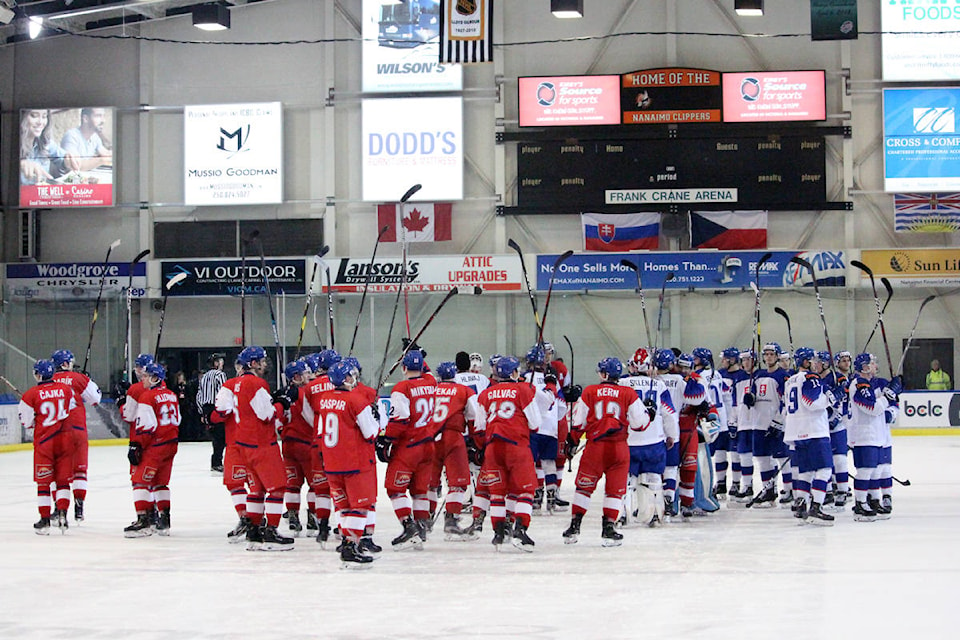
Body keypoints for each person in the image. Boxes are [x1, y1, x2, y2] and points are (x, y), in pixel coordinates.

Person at [210, 346, 294, 551]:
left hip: (243, 445)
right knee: (277, 488)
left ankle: (254, 533)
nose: (265, 364)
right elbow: (267, 415)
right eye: (262, 361)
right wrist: (283, 402)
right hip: (262, 444)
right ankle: (271, 531)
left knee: (256, 489)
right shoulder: (257, 383)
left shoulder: (232, 383)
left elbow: (222, 410)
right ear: (253, 363)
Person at [563, 357, 651, 546]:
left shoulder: (590, 391)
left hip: (595, 447)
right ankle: (609, 528)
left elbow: (579, 422)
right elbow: (640, 424)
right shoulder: (629, 393)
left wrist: (572, 441)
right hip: (619, 448)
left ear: (604, 374)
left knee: (584, 487)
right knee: (614, 491)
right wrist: (649, 413)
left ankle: (574, 526)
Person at [304, 360, 381, 567]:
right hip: (354, 462)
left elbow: (320, 431)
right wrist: (377, 418)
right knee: (360, 505)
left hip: (331, 462)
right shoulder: (356, 400)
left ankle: (348, 543)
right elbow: (371, 432)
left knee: (344, 506)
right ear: (346, 378)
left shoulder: (324, 400)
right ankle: (350, 546)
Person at [474, 355, 542, 551]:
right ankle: (520, 530)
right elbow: (535, 424)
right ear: (514, 373)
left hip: (493, 447)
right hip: (516, 445)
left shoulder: (486, 394)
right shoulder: (523, 390)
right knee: (525, 490)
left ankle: (499, 534)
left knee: (497, 492)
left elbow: (479, 427)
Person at [380, 349, 437, 550]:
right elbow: (428, 372)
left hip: (409, 446)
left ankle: (409, 527)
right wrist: (421, 353)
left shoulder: (401, 388)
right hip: (428, 445)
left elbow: (400, 420)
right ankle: (421, 530)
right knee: (420, 491)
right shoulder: (431, 383)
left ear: (403, 368)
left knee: (395, 489)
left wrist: (386, 440)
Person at [619, 348, 677, 527]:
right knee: (653, 480)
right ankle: (653, 514)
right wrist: (672, 436)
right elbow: (669, 413)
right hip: (653, 440)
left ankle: (622, 515)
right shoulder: (658, 385)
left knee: (626, 480)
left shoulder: (622, 383)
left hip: (628, 440)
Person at [20, 359, 77, 534]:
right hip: (65, 441)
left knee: (44, 482)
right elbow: (71, 407)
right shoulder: (67, 390)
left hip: (45, 443)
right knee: (63, 481)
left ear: (38, 374)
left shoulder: (30, 395)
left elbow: (27, 422)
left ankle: (44, 520)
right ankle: (62, 515)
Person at [124, 363, 180, 537]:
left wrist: (137, 445)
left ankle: (144, 520)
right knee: (160, 483)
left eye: (147, 376)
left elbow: (146, 426)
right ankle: (164, 520)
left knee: (140, 481)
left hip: (155, 445)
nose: (143, 378)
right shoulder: (171, 395)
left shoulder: (147, 397)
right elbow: (177, 420)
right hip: (171, 444)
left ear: (155, 378)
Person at [783, 348, 835, 525]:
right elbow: (811, 402)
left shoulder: (790, 380)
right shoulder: (811, 378)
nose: (816, 363)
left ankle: (801, 506)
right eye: (812, 360)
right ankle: (816, 508)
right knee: (825, 469)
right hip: (814, 430)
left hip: (796, 430)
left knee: (805, 471)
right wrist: (831, 398)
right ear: (805, 362)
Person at [50, 349, 101, 522]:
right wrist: (87, 380)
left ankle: (59, 508)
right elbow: (96, 399)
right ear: (65, 363)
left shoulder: (48, 380)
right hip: (77, 430)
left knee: (58, 472)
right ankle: (79, 509)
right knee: (80, 470)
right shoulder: (79, 378)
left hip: (56, 433)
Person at [429, 361, 479, 539]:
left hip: (430, 438)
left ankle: (424, 520)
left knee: (430, 483)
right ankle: (451, 519)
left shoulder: (430, 389)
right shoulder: (464, 390)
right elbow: (474, 416)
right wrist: (476, 440)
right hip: (453, 437)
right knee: (458, 483)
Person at [848, 353, 899, 522]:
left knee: (875, 469)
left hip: (873, 435)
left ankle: (874, 500)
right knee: (865, 471)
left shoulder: (868, 384)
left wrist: (892, 394)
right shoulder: (859, 384)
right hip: (863, 435)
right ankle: (860, 503)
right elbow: (873, 408)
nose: (875, 366)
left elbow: (887, 406)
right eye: (872, 363)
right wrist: (887, 397)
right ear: (864, 367)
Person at [19, 108, 79, 184]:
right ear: (22, 117)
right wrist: (20, 164)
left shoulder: (45, 142)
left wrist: (67, 161)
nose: (40, 122)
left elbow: (63, 159)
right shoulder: (7, 142)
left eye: (44, 116)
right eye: (34, 116)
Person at [197, 353, 227, 472]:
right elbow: (223, 391)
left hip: (206, 409)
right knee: (222, 436)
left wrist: (202, 413)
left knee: (216, 436)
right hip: (217, 408)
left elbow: (199, 395)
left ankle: (216, 461)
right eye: (220, 361)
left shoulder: (204, 377)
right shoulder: (220, 374)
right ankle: (217, 462)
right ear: (216, 363)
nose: (222, 363)